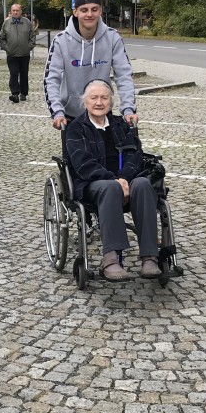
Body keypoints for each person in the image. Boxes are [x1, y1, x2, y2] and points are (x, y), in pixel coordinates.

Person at [64, 80, 160, 281]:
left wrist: (124, 178)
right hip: (93, 183)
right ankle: (111, 258)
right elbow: (83, 164)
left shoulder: (120, 125)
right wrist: (114, 180)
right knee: (110, 188)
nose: (99, 102)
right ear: (85, 102)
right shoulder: (76, 128)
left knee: (143, 184)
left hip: (126, 180)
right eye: (94, 98)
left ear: (111, 102)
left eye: (104, 98)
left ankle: (150, 256)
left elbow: (135, 154)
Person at [44, 0, 137, 129]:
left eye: (94, 9)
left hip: (103, 112)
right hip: (71, 116)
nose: (89, 14)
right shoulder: (61, 41)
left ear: (100, 11)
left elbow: (124, 75)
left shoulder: (113, 37)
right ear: (75, 12)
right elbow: (51, 79)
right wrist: (57, 111)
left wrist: (128, 109)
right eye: (84, 10)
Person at [0, 3, 34, 103]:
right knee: (13, 73)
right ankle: (15, 93)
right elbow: (1, 38)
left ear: (20, 11)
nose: (15, 12)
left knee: (24, 74)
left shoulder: (27, 22)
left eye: (17, 10)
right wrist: (7, 48)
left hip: (24, 54)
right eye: (13, 10)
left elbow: (32, 37)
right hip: (12, 54)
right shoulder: (6, 23)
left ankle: (23, 93)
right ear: (11, 11)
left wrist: (28, 47)